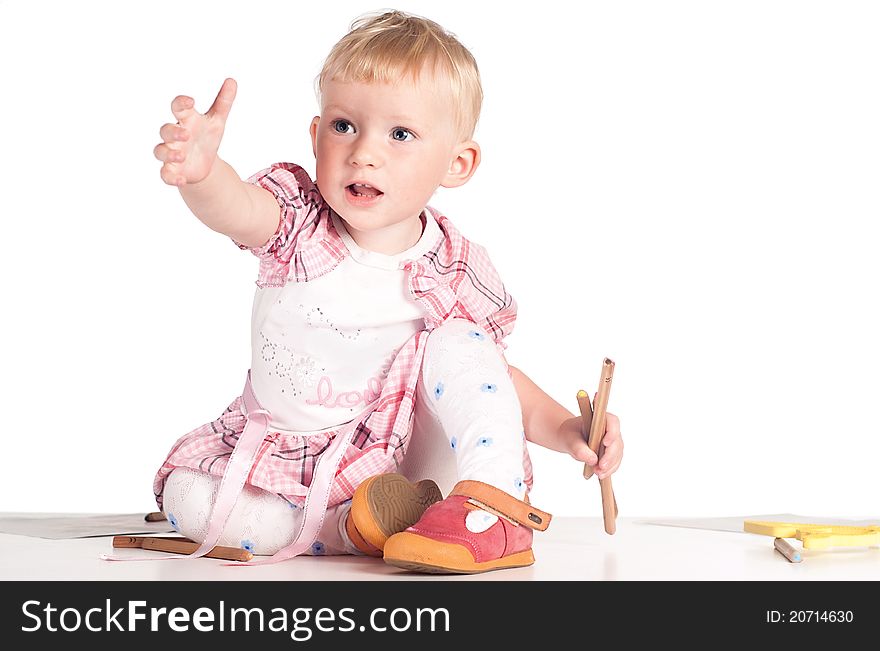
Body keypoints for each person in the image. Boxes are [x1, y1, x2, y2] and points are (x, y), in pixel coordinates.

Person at [151, 10, 623, 573]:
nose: (364, 152)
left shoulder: (452, 265)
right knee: (188, 495)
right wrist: (205, 176)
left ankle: (491, 504)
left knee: (459, 340)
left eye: (399, 134)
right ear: (315, 135)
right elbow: (240, 211)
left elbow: (490, 377)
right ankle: (360, 526)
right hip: (295, 461)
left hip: (412, 455)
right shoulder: (299, 225)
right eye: (344, 126)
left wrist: (567, 430)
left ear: (457, 163)